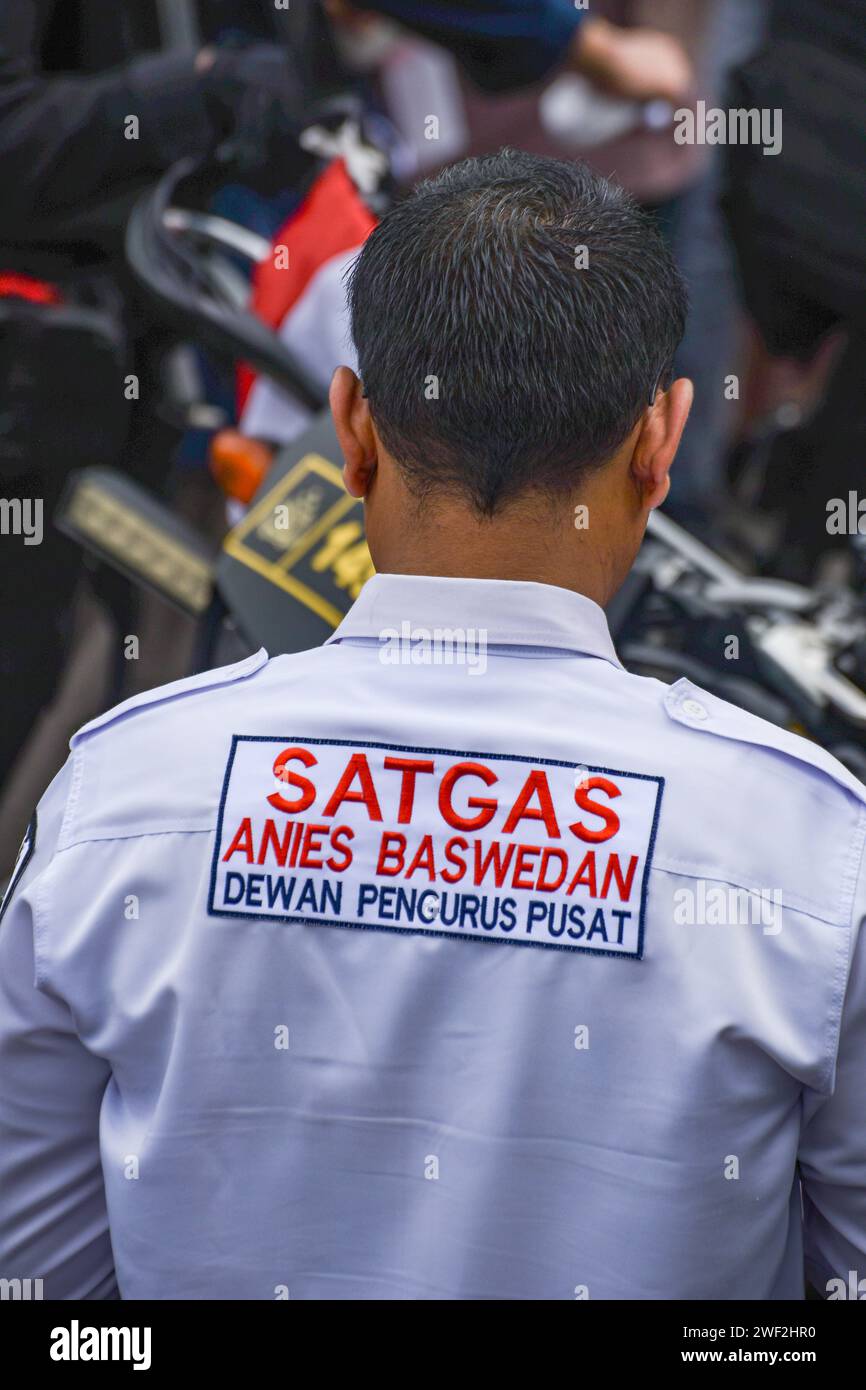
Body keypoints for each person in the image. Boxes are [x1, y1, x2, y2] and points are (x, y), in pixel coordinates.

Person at [1, 152, 864, 1301]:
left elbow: (41, 1283)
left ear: (351, 427)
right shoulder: (804, 851)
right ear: (658, 446)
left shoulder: (118, 799)